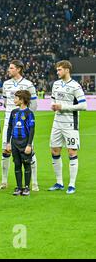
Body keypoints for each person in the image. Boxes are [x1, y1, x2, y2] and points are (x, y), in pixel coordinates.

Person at [0, 60, 38, 191]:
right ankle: (4, 182)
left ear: (19, 69)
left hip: (24, 123)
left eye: (11, 68)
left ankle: (34, 183)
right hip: (10, 121)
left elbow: (34, 105)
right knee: (5, 151)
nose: (8, 70)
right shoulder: (6, 84)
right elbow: (5, 102)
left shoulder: (28, 84)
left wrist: (25, 117)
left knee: (29, 151)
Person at [49, 60, 87, 195]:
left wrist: (63, 107)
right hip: (57, 122)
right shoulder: (56, 84)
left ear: (67, 70)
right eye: (57, 70)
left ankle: (71, 184)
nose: (57, 72)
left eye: (59, 70)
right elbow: (53, 99)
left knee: (72, 152)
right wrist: (53, 105)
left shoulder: (75, 86)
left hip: (70, 123)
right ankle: (59, 182)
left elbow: (83, 106)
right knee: (54, 151)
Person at [6, 90, 35, 196]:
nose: (14, 100)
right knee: (17, 164)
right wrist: (8, 142)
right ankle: (19, 187)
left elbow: (32, 130)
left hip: (24, 142)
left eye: (16, 98)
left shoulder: (29, 113)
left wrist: (29, 145)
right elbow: (9, 127)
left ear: (22, 100)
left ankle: (27, 187)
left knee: (26, 164)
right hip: (14, 142)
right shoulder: (13, 112)